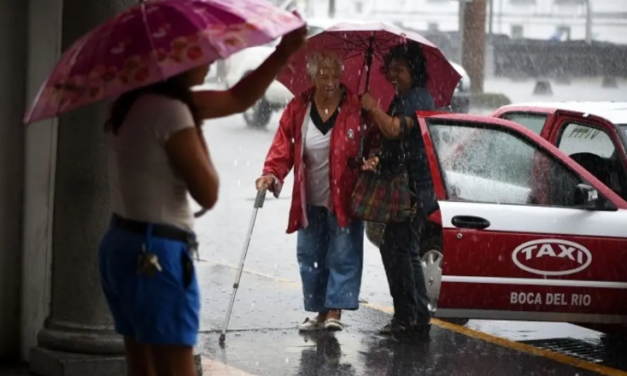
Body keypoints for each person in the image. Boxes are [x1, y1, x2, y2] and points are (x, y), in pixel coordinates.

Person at [98, 26, 307, 376]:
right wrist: (194, 130)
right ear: (175, 62)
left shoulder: (136, 101)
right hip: (157, 255)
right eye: (197, 52)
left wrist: (283, 52)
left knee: (141, 366)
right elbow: (207, 191)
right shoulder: (173, 112)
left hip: (122, 245)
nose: (211, 59)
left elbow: (237, 99)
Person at [256, 51, 364, 332]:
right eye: (323, 75)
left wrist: (371, 158)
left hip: (343, 197)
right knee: (310, 253)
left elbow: (371, 140)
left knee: (342, 253)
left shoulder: (354, 105)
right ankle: (319, 311)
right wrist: (270, 174)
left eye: (334, 75)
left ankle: (334, 311)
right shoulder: (299, 106)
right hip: (308, 197)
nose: (329, 81)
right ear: (312, 77)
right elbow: (283, 146)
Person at [360, 41, 438, 336]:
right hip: (405, 188)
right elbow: (394, 145)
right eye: (390, 69)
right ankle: (410, 315)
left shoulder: (418, 98)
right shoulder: (402, 97)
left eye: (400, 70)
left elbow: (394, 129)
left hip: (416, 189)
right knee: (396, 247)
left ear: (413, 71)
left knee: (402, 248)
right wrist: (377, 159)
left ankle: (413, 316)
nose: (394, 75)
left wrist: (373, 107)